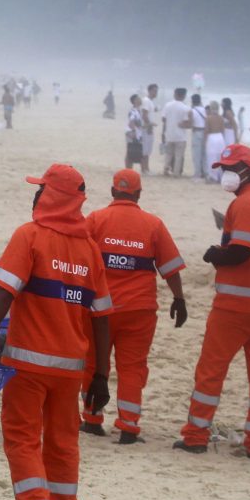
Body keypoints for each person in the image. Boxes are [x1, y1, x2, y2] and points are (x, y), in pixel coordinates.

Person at [0, 164, 112, 500]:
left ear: (51, 196)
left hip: (27, 366)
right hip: (71, 369)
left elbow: (3, 292)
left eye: (41, 190)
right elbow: (102, 318)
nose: (36, 196)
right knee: (64, 442)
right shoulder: (89, 250)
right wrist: (101, 375)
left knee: (22, 440)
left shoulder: (29, 236)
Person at [175, 144, 250, 459]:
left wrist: (215, 255)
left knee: (211, 371)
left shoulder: (245, 204)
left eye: (229, 167)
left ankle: (196, 436)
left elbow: (241, 251)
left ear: (247, 170)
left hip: (236, 307)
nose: (224, 174)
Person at [83, 170, 187, 441]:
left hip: (98, 310)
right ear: (138, 194)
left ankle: (92, 420)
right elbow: (171, 268)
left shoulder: (95, 219)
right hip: (139, 311)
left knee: (94, 362)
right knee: (132, 367)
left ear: (112, 191)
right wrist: (179, 298)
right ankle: (128, 427)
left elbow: (79, 258)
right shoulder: (153, 224)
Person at [160, 87, 191, 177]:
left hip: (169, 133)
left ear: (175, 94)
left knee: (168, 154)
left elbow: (163, 118)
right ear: (184, 96)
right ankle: (176, 173)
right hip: (180, 135)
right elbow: (186, 122)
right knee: (178, 156)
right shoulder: (185, 108)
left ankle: (165, 169)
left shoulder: (167, 105)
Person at [138, 84, 159, 174]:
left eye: (156, 91)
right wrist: (149, 126)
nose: (156, 93)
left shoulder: (150, 101)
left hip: (148, 127)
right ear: (149, 91)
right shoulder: (146, 101)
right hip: (146, 128)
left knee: (148, 149)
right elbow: (144, 115)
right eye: (154, 91)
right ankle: (144, 169)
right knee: (145, 149)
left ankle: (147, 168)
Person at [203, 103, 226, 181]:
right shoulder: (221, 118)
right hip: (220, 137)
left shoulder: (208, 118)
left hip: (212, 137)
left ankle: (213, 176)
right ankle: (220, 176)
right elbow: (223, 130)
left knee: (211, 158)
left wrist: (205, 141)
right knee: (219, 157)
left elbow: (206, 130)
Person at [123, 94, 145, 171]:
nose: (141, 100)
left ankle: (129, 169)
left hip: (136, 133)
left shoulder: (138, 110)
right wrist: (134, 132)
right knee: (130, 151)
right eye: (139, 98)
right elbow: (131, 122)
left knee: (134, 150)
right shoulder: (133, 111)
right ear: (135, 101)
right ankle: (128, 169)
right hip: (132, 134)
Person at [188, 94, 207, 180]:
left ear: (192, 101)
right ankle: (205, 172)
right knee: (204, 154)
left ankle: (197, 173)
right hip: (205, 132)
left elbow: (191, 124)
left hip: (196, 132)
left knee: (196, 154)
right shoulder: (205, 110)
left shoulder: (192, 111)